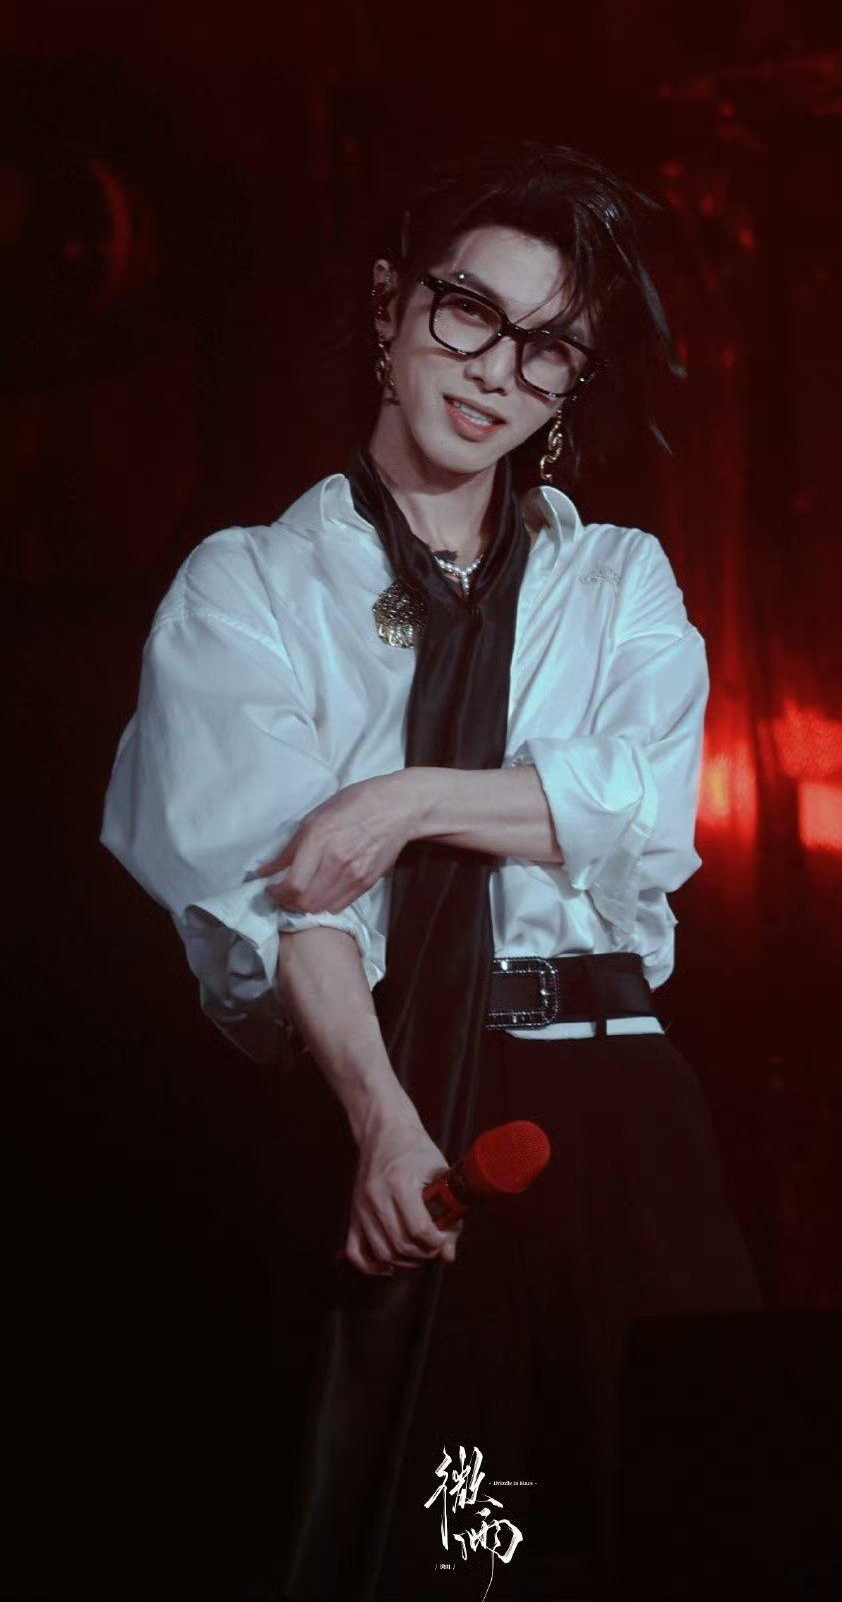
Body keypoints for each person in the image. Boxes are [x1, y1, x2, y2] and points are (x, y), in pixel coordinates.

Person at [101, 140, 761, 1602]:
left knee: (703, 1510)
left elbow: (642, 808)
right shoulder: (250, 587)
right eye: (470, 311)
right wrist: (382, 1125)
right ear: (393, 305)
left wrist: (400, 800)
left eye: (548, 347)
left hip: (619, 1102)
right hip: (404, 1094)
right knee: (469, 1544)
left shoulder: (616, 580)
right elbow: (287, 896)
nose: (496, 371)